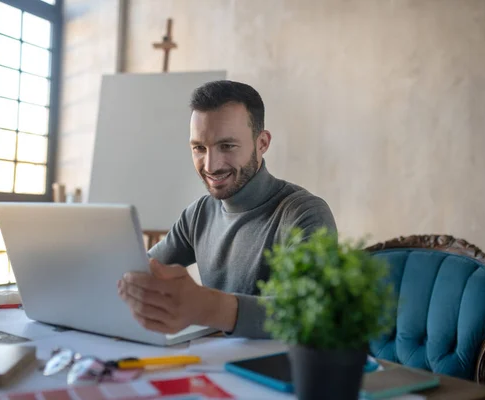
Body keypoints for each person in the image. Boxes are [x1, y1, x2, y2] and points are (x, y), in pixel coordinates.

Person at [117, 80, 336, 339]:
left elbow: (308, 314)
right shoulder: (198, 213)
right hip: (210, 364)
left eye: (227, 146)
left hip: (275, 372)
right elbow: (142, 271)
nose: (211, 165)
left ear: (262, 143)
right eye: (199, 148)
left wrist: (206, 306)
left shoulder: (304, 213)